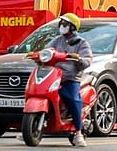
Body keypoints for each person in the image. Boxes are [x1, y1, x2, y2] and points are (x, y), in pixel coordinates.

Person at [45, 13, 92, 147]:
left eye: (65, 24)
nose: (62, 26)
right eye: (61, 24)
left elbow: (87, 59)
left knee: (72, 98)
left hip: (70, 77)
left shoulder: (81, 42)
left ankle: (78, 132)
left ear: (72, 27)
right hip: (54, 76)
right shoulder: (57, 40)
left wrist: (79, 59)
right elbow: (47, 50)